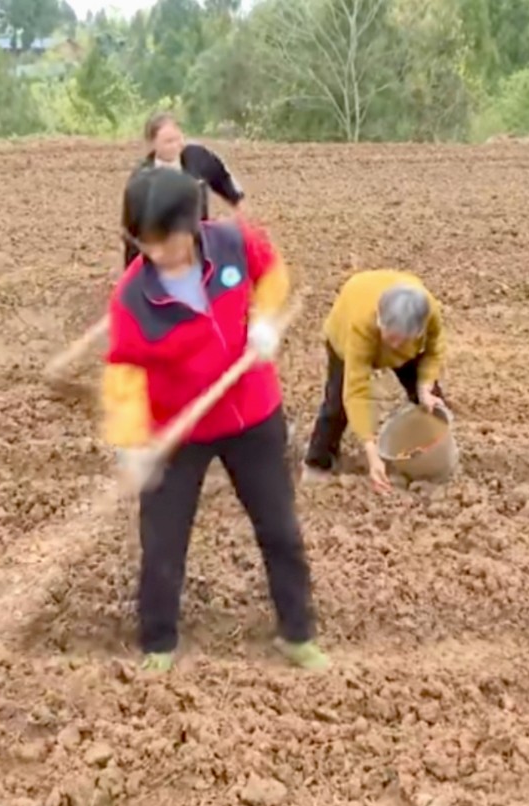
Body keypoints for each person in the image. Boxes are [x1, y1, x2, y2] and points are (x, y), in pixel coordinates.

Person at [102, 167, 327, 673]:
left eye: (168, 240)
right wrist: (131, 443)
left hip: (253, 414)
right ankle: (158, 644)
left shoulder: (233, 242)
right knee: (163, 542)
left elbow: (273, 273)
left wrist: (264, 320)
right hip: (176, 431)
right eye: (146, 242)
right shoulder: (132, 300)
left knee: (280, 529)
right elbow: (124, 376)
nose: (158, 253)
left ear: (193, 223)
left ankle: (297, 634)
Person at [303, 270, 447, 492]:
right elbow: (356, 391)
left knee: (430, 402)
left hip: (408, 342)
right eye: (391, 337)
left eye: (403, 339)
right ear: (380, 321)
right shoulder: (361, 324)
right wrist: (372, 452)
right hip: (347, 331)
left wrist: (425, 387)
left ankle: (424, 454)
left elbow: (434, 350)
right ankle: (318, 462)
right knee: (337, 405)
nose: (395, 346)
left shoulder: (427, 312)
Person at [122, 112, 246, 266]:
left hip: (199, 248)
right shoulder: (141, 180)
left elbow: (223, 178)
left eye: (178, 138)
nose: (176, 145)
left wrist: (238, 204)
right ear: (152, 144)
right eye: (168, 142)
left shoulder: (198, 157)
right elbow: (132, 232)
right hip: (160, 257)